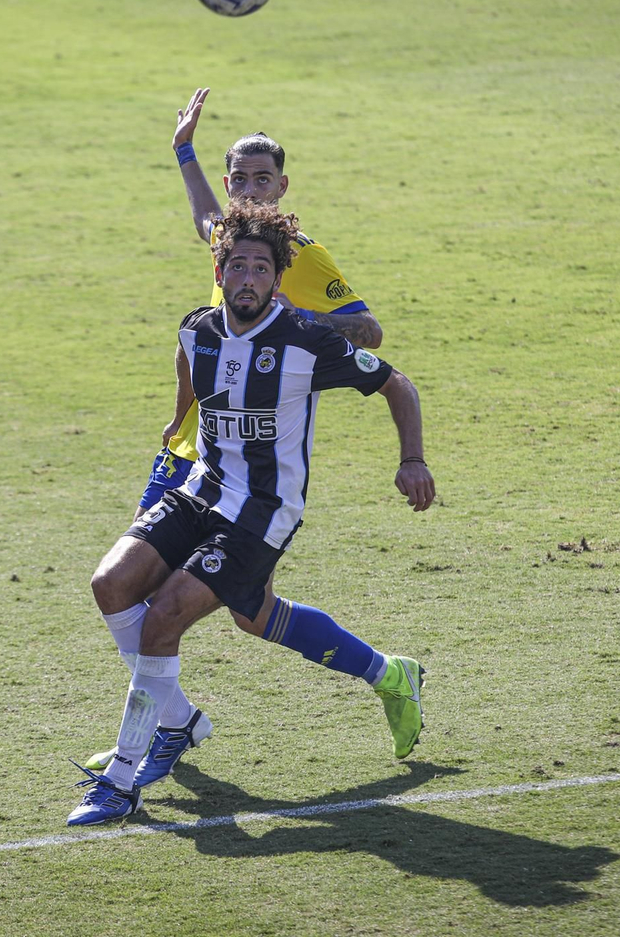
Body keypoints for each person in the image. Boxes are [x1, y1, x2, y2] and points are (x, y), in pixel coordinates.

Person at [68, 200, 435, 827]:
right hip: (202, 490)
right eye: (235, 265)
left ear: (276, 276)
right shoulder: (196, 329)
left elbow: (398, 384)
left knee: (163, 621)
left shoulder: (308, 341)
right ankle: (185, 718)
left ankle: (123, 779)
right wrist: (178, 416)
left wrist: (413, 461)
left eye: (260, 268)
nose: (246, 279)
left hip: (262, 512)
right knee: (114, 584)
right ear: (221, 269)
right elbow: (189, 375)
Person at [136, 86, 383, 519]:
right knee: (150, 577)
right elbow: (204, 219)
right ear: (229, 182)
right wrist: (184, 150)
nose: (250, 191)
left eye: (262, 180)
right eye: (240, 180)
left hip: (240, 454)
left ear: (281, 185)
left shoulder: (299, 253)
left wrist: (299, 318)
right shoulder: (227, 238)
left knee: (158, 580)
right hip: (193, 442)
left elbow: (369, 331)